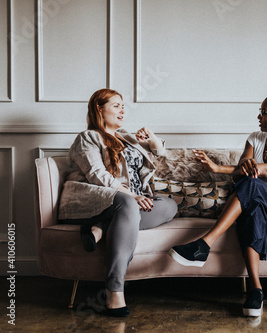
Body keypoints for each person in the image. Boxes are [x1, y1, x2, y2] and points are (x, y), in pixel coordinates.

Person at [168, 90, 267, 317]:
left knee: (252, 183)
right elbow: (243, 169)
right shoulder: (256, 138)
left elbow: (262, 171)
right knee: (251, 208)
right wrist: (241, 166)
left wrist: (218, 168)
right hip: (254, 197)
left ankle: (205, 243)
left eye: (264, 112)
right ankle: (255, 289)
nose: (259, 116)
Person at [58, 88, 178, 317]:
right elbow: (97, 175)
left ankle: (101, 227)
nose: (122, 110)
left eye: (123, 106)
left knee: (169, 205)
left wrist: (152, 139)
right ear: (99, 109)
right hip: (99, 197)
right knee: (127, 203)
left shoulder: (126, 137)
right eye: (116, 105)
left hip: (129, 202)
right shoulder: (88, 137)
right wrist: (132, 196)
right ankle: (114, 291)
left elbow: (161, 154)